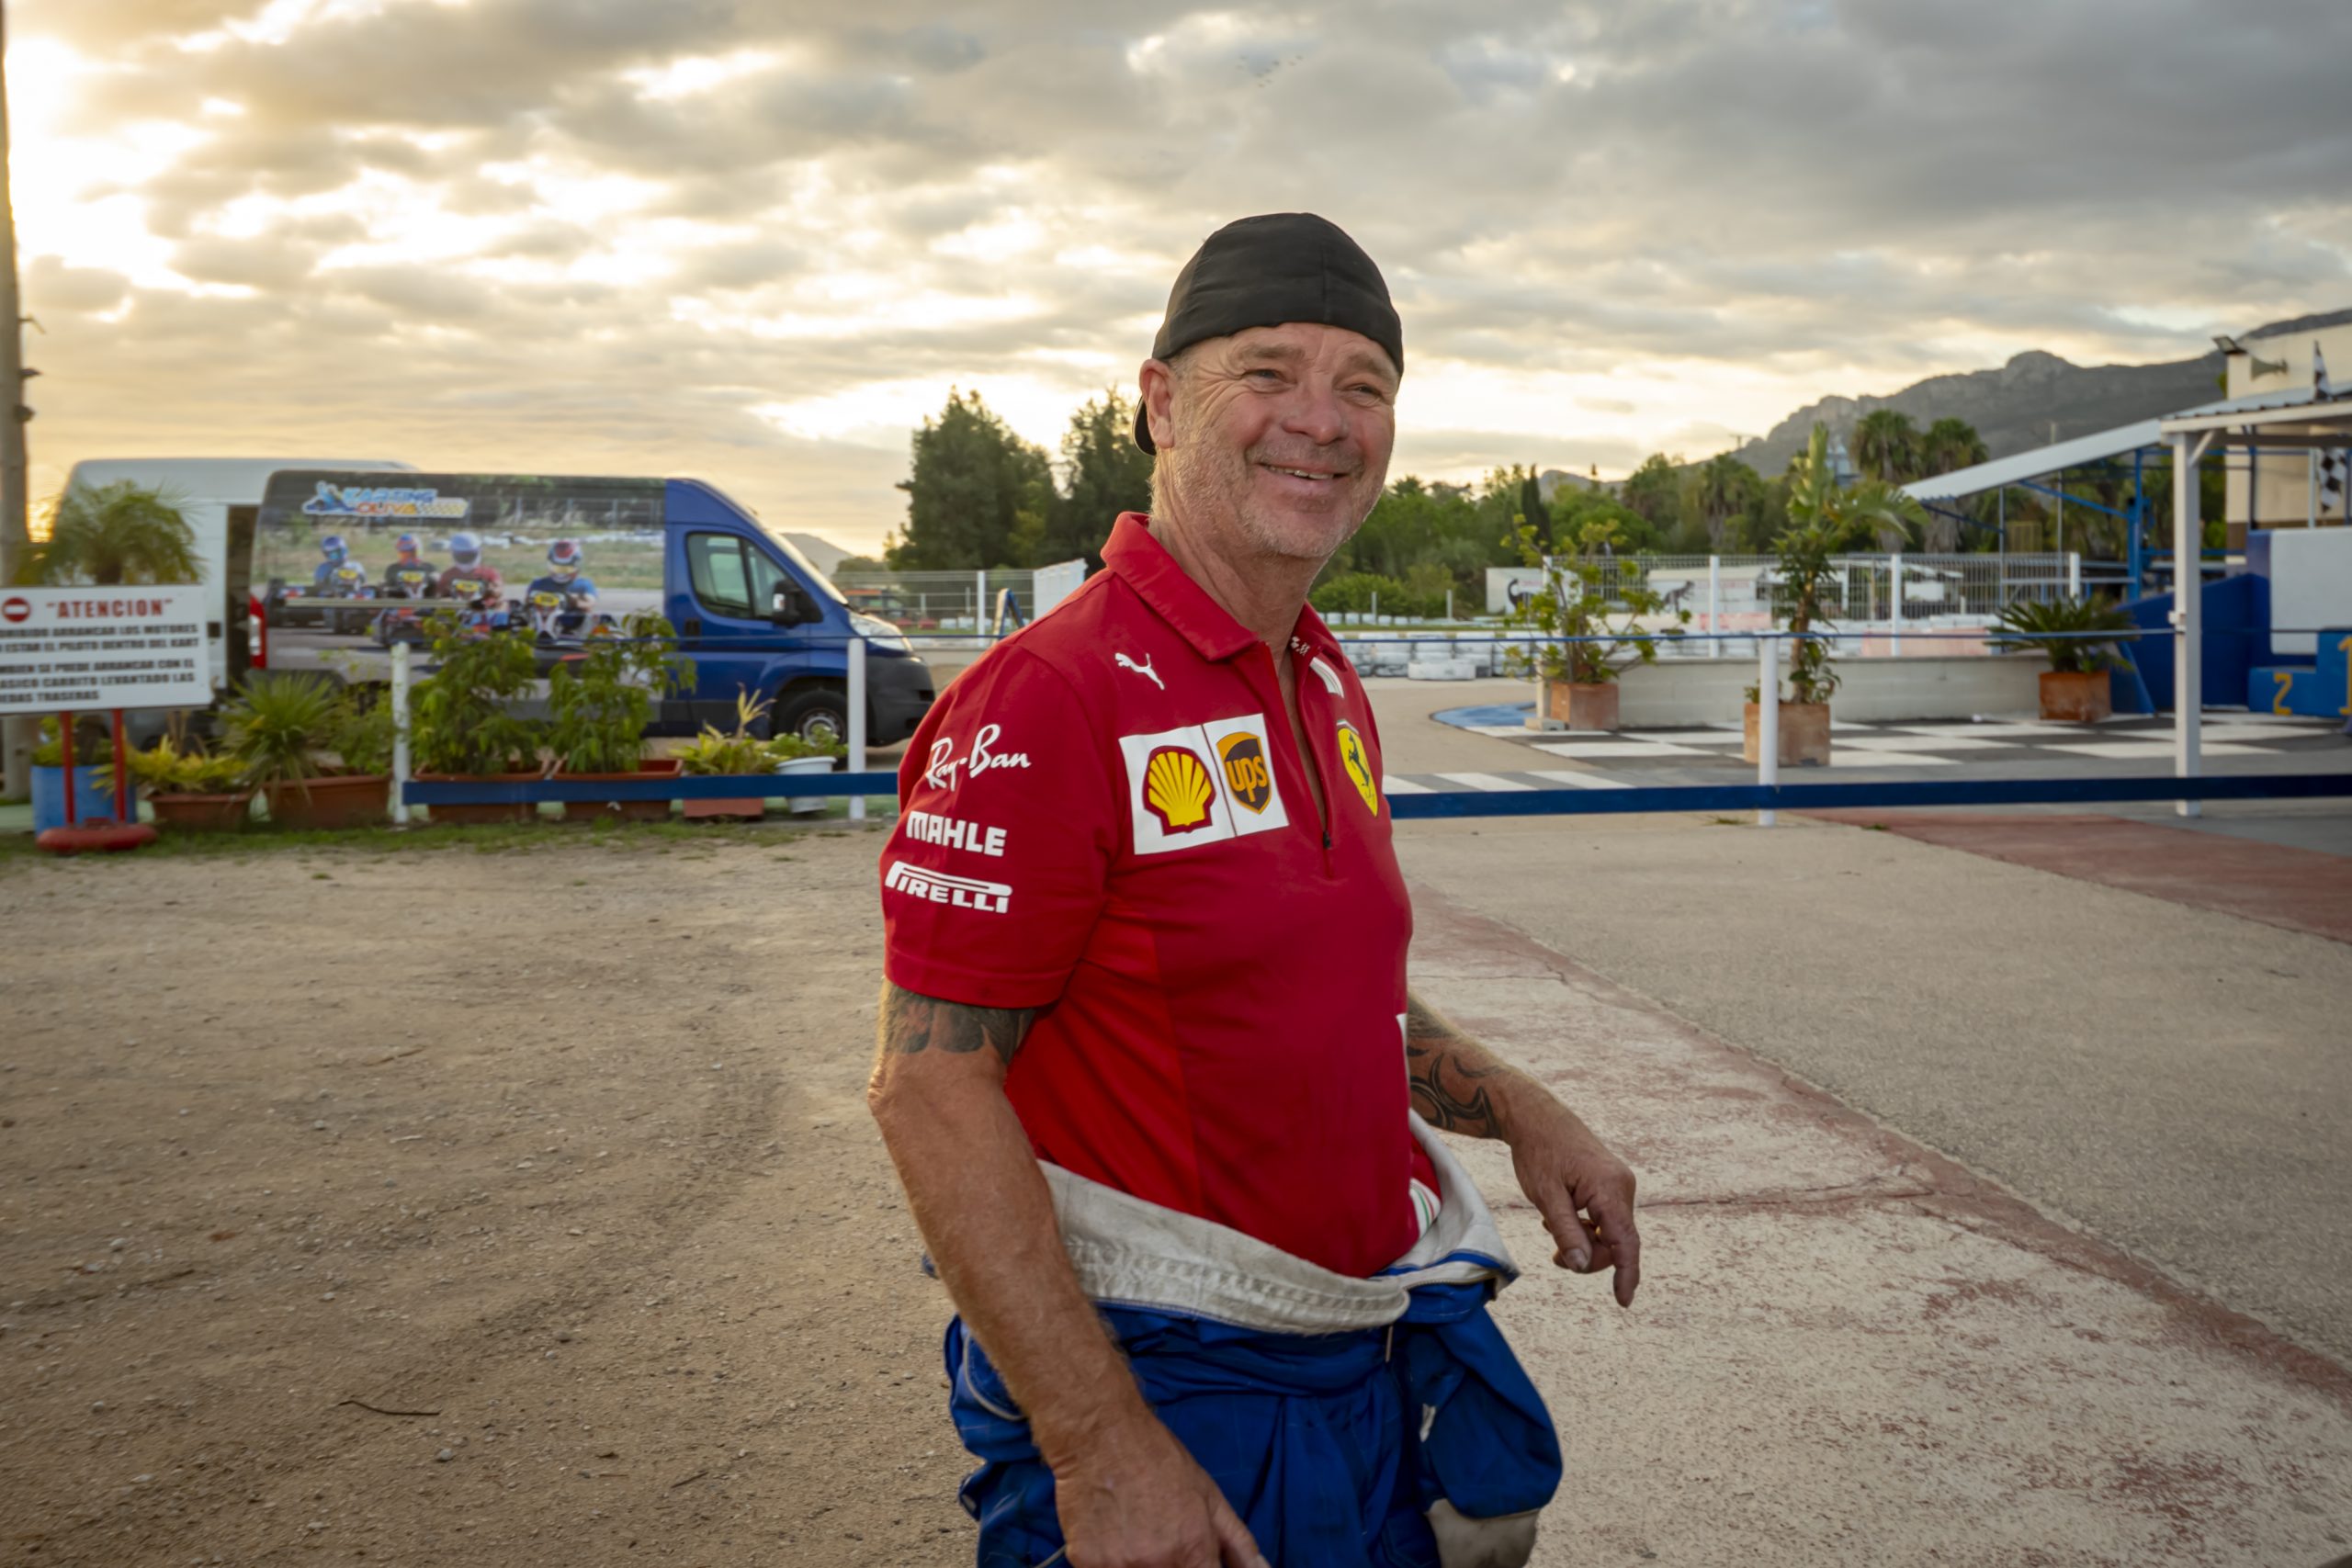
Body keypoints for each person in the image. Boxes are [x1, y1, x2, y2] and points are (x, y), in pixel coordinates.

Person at [869, 213, 1641, 1568]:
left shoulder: (1322, 676)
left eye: (1364, 385)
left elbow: (1312, 994)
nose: (1321, 421)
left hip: (1356, 1353)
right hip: (1170, 1382)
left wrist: (1523, 1108)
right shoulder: (1049, 695)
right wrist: (1100, 1447)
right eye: (1268, 372)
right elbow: (928, 1086)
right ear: (1162, 403)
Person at [521, 538, 598, 636]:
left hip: (571, 626)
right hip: (541, 623)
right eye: (557, 567)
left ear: (576, 566)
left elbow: (590, 604)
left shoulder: (583, 584)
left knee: (590, 616)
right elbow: (527, 604)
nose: (561, 572)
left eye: (566, 568)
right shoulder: (538, 583)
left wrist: (575, 601)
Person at [435, 532, 503, 605]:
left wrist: (490, 590)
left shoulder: (489, 572)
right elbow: (439, 594)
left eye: (469, 555)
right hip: (457, 609)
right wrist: (446, 591)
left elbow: (498, 591)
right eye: (462, 556)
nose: (465, 558)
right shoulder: (448, 575)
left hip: (484, 609)